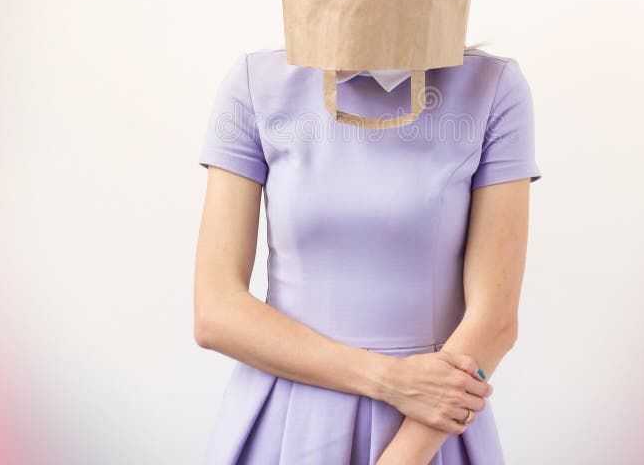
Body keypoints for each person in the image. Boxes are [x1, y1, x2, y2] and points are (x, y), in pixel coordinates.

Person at [193, 44, 542, 465]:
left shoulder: (492, 88)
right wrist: (392, 381)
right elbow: (215, 312)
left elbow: (495, 321)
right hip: (286, 422)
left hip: (428, 429)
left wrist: (402, 457)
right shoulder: (255, 83)